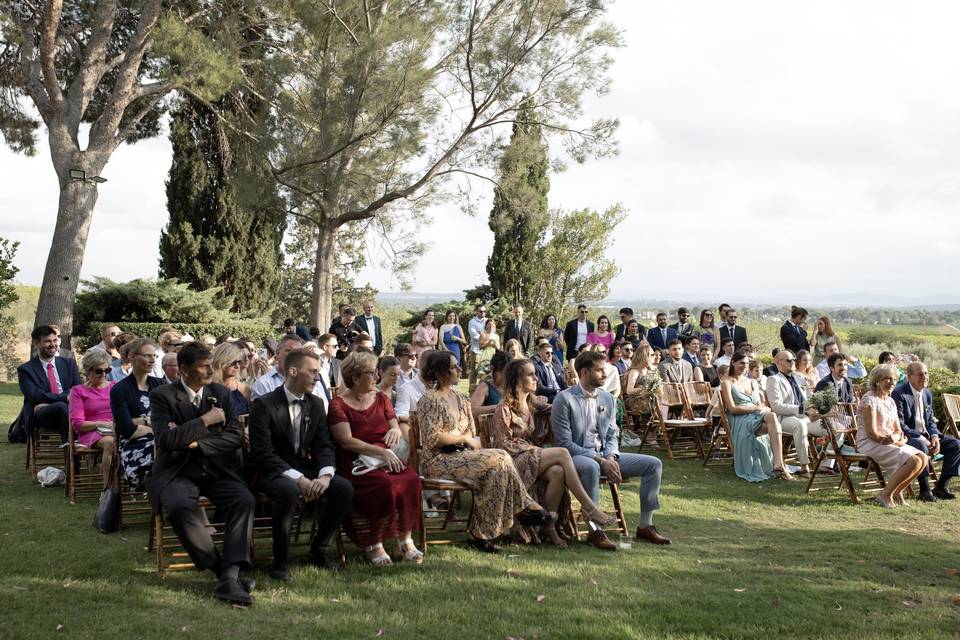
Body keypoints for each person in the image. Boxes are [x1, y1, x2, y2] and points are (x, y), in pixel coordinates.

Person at [148, 342, 255, 605]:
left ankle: (229, 574)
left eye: (210, 364)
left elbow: (233, 436)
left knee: (244, 500)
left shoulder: (220, 392)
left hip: (217, 469)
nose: (210, 370)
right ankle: (223, 572)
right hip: (177, 471)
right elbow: (165, 440)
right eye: (204, 366)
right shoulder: (162, 396)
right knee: (177, 507)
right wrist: (205, 422)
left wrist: (194, 441)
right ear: (184, 369)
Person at [416, 351, 552, 553]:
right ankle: (522, 506)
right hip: (438, 460)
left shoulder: (462, 399)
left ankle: (480, 535)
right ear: (441, 372)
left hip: (464, 456)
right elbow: (432, 439)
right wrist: (460, 438)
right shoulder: (429, 399)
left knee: (497, 467)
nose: (459, 369)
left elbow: (471, 434)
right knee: (501, 457)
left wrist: (460, 437)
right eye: (454, 367)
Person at [247, 348, 353, 578]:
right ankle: (280, 560)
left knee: (342, 488)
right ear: (293, 371)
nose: (318, 377)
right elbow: (262, 453)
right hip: (270, 470)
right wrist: (300, 479)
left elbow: (324, 444)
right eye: (313, 371)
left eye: (318, 372)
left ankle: (320, 549)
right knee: (287, 491)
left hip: (303, 466)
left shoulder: (315, 403)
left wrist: (325, 476)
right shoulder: (264, 405)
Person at [552, 350, 670, 549]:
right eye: (599, 371)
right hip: (575, 457)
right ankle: (594, 530)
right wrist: (601, 461)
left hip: (605, 456)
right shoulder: (564, 399)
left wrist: (611, 456)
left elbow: (611, 436)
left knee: (654, 464)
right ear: (584, 373)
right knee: (591, 467)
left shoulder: (607, 399)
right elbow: (565, 444)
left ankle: (645, 525)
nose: (605, 375)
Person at [493, 359, 617, 546]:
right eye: (530, 374)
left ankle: (549, 528)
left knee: (558, 472)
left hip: (533, 458)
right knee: (561, 453)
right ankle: (590, 508)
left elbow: (561, 409)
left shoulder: (534, 403)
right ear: (517, 379)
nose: (536, 378)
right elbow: (503, 444)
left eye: (535, 373)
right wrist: (533, 449)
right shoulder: (504, 408)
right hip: (512, 460)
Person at [857, 364, 928, 508]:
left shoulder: (890, 401)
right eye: (887, 379)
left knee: (923, 458)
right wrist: (890, 440)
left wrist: (899, 439)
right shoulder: (869, 400)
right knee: (913, 461)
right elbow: (872, 433)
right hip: (870, 442)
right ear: (877, 381)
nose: (892, 382)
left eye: (894, 379)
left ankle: (896, 492)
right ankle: (885, 494)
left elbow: (897, 429)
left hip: (889, 441)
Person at [892, 361, 960, 502]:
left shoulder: (927, 393)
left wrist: (934, 435)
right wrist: (923, 438)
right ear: (909, 376)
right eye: (920, 374)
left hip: (927, 436)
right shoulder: (899, 393)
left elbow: (930, 420)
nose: (925, 376)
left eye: (926, 373)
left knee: (956, 445)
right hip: (909, 437)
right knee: (921, 445)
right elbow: (900, 424)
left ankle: (941, 487)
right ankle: (925, 490)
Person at [720, 351, 793, 482]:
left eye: (747, 363)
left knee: (771, 416)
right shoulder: (727, 383)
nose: (745, 366)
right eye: (742, 363)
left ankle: (778, 463)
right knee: (771, 418)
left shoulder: (752, 382)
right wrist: (756, 408)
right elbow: (732, 409)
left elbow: (760, 404)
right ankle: (780, 465)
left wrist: (761, 407)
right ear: (733, 362)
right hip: (740, 419)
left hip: (756, 415)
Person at [109, 337, 163, 489]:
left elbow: (173, 420)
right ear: (132, 357)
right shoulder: (120, 390)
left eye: (154, 356)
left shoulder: (161, 385)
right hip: (134, 447)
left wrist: (141, 421)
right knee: (163, 455)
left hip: (162, 441)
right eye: (147, 355)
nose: (152, 360)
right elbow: (127, 431)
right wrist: (154, 423)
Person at [766, 350, 828, 478]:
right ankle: (805, 467)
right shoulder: (774, 379)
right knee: (799, 425)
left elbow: (810, 399)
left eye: (793, 359)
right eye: (789, 360)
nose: (793, 362)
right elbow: (776, 406)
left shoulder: (799, 378)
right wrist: (800, 409)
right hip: (784, 419)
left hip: (805, 417)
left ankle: (826, 465)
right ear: (778, 363)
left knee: (833, 426)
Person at [16, 325, 81, 445]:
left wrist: (54, 399)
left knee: (65, 409)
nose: (52, 344)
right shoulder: (26, 370)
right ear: (36, 344)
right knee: (62, 407)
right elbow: (35, 396)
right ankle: (72, 458)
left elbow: (77, 390)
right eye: (47, 341)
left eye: (55, 340)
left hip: (67, 410)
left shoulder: (69, 364)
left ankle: (71, 456)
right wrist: (65, 397)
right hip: (41, 415)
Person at [68, 349, 117, 489]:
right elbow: (78, 424)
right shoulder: (78, 391)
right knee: (111, 443)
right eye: (98, 371)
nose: (103, 374)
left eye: (107, 370)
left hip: (115, 428)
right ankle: (108, 490)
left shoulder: (115, 387)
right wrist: (101, 424)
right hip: (92, 431)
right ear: (88, 371)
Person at [251, 335, 331, 410]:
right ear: (277, 354)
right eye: (289, 351)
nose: (294, 356)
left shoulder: (314, 381)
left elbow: (325, 410)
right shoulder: (263, 384)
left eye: (299, 353)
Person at [624, 342, 662, 430]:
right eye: (652, 355)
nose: (655, 356)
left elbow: (658, 385)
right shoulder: (635, 371)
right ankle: (652, 430)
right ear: (645, 356)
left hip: (650, 397)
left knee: (662, 400)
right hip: (635, 399)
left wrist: (652, 371)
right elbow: (629, 391)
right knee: (652, 402)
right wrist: (642, 389)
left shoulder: (653, 369)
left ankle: (661, 425)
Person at [212, 342, 252, 417]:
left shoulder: (245, 389)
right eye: (233, 362)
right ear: (221, 362)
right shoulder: (207, 388)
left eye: (239, 361)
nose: (237, 366)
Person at [471, 350, 510, 418]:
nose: (506, 376)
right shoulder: (485, 387)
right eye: (502, 373)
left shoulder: (514, 386)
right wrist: (497, 407)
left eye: (508, 373)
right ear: (492, 369)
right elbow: (472, 410)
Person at [467, 304, 488, 390]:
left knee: (486, 372)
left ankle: (484, 391)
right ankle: (471, 392)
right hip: (475, 350)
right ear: (476, 312)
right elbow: (474, 336)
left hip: (486, 350)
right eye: (480, 311)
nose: (483, 313)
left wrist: (481, 334)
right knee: (474, 372)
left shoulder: (488, 321)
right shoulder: (472, 322)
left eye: (484, 311)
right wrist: (485, 336)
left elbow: (492, 333)